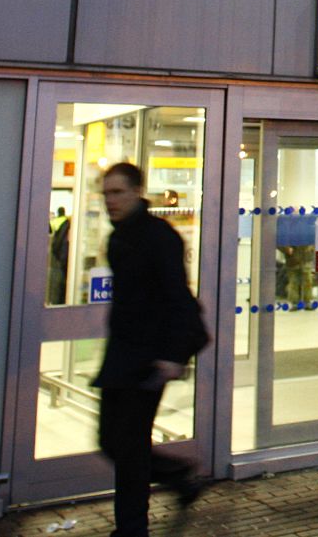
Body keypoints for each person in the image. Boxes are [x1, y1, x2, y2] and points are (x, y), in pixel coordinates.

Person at [94, 163, 206, 535]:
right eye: (106, 193)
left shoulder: (160, 237)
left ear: (137, 192)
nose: (110, 200)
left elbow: (179, 298)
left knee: (127, 448)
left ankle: (131, 529)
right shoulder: (118, 238)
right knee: (113, 442)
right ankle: (178, 477)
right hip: (123, 356)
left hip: (150, 360)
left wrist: (175, 355)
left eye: (117, 192)